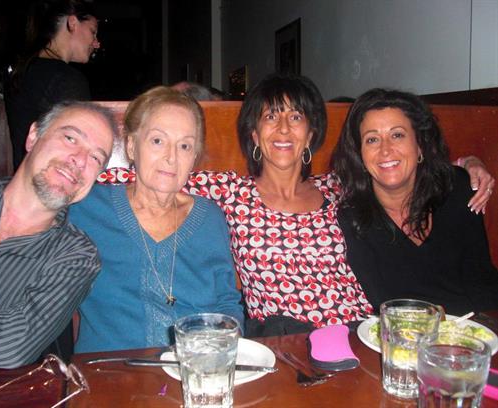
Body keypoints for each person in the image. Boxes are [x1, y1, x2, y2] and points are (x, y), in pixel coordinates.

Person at [99, 73, 494, 336]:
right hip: (285, 342)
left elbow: (398, 167)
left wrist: (466, 165)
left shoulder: (341, 189)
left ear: (311, 133)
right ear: (255, 133)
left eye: (296, 116)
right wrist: (79, 172)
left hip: (361, 333)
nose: (284, 128)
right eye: (271, 116)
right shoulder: (230, 192)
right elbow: (152, 173)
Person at [69, 87, 243, 352]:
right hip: (109, 369)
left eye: (184, 146)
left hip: (194, 366)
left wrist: (220, 349)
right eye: (158, 141)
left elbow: (227, 303)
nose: (171, 158)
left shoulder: (210, 218)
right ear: (131, 146)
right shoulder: (87, 207)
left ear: (194, 158)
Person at [0, 101, 118, 370]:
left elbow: (11, 346)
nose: (79, 160)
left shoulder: (77, 257)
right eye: (70, 138)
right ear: (33, 136)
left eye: (96, 158)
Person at [332, 88, 498, 315]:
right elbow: (382, 304)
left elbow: (482, 282)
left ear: (420, 144)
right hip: (400, 332)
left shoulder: (458, 189)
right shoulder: (351, 216)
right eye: (372, 139)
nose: (385, 150)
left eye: (397, 135)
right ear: (360, 154)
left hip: (470, 328)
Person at [5, 0, 101, 170]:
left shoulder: (24, 71)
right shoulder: (66, 79)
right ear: (72, 23)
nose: (96, 43)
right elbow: (79, 149)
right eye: (93, 32)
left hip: (26, 176)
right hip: (54, 180)